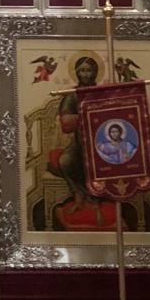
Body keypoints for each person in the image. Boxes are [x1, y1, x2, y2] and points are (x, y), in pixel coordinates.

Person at [54, 56, 100, 212]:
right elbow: (66, 122)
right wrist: (90, 115)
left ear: (95, 72)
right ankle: (78, 194)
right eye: (82, 71)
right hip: (80, 142)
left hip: (102, 141)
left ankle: (97, 196)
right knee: (65, 161)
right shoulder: (72, 95)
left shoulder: (102, 92)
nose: (85, 74)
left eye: (89, 70)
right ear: (77, 73)